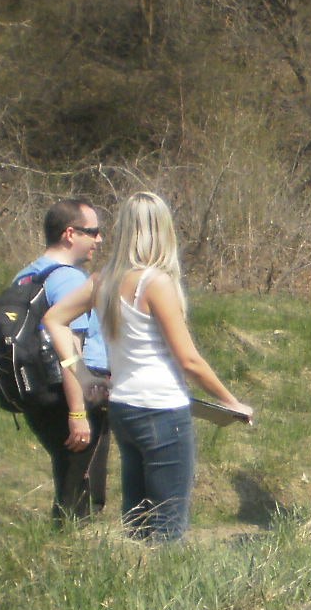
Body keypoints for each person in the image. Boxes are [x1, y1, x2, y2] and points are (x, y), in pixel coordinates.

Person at [42, 192, 251, 541]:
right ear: (163, 231)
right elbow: (189, 360)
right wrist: (231, 401)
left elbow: (54, 320)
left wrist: (81, 372)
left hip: (124, 408)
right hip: (162, 411)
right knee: (167, 525)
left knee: (137, 519)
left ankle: (133, 582)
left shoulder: (101, 280)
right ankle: (162, 589)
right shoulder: (155, 283)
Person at [14, 198, 111, 521]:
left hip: (38, 390)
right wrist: (78, 412)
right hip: (77, 391)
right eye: (93, 232)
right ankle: (71, 555)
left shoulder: (27, 276)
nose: (99, 240)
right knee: (79, 495)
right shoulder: (70, 279)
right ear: (70, 234)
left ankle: (68, 552)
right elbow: (71, 350)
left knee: (68, 483)